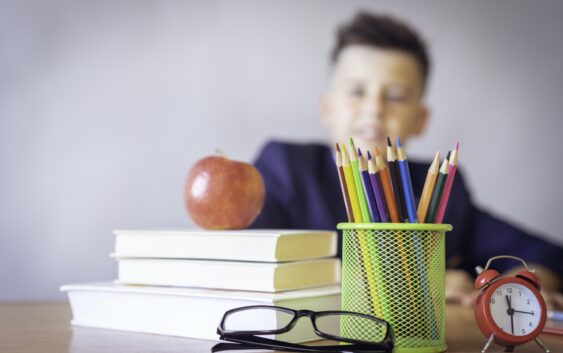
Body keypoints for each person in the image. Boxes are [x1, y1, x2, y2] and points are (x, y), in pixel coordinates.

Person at [250, 11, 562, 308]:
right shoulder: (286, 167)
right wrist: (418, 283)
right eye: (357, 91)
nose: (374, 108)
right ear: (326, 108)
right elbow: (248, 262)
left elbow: (546, 256)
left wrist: (521, 286)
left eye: (396, 96)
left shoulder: (441, 188)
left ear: (420, 120)